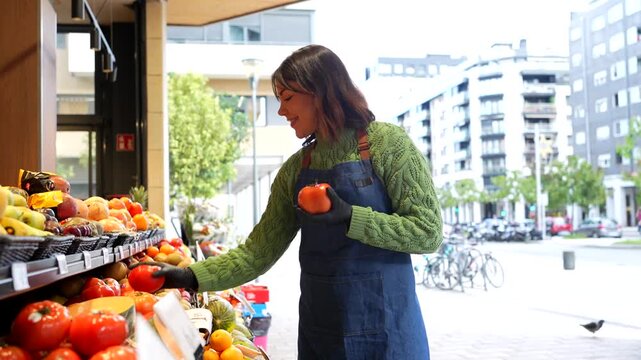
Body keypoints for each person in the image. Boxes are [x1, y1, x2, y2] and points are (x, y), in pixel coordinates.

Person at [139, 44, 443, 359]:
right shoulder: (296, 170)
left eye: (287, 98)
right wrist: (191, 276)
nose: (282, 111)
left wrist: (351, 217)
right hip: (321, 332)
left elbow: (427, 231)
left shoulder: (386, 144)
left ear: (320, 92)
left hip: (388, 332)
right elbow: (257, 253)